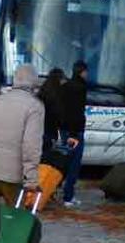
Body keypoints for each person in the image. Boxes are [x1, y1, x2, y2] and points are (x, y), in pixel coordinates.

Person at [0, 64, 44, 206]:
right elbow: (31, 146)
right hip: (12, 174)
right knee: (13, 218)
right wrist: (31, 179)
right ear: (34, 82)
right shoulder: (34, 107)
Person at [60, 61, 89, 207]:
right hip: (75, 131)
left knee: (65, 161)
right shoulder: (80, 88)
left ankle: (61, 191)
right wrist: (74, 132)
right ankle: (68, 196)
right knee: (74, 163)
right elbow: (77, 111)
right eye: (86, 72)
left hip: (65, 129)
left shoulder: (65, 86)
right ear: (82, 72)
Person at [37, 68, 66, 153]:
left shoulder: (41, 92)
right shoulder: (59, 95)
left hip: (38, 131)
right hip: (50, 132)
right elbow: (60, 116)